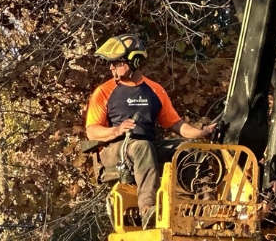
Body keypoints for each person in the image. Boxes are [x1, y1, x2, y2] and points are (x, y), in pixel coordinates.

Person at [86, 34, 215, 226]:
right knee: (143, 147)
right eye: (110, 63)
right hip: (114, 149)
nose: (111, 67)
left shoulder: (155, 90)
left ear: (134, 61)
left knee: (189, 149)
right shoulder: (104, 91)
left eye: (117, 62)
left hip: (145, 145)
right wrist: (116, 130)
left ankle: (205, 205)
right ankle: (147, 209)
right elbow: (91, 131)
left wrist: (200, 133)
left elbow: (176, 124)